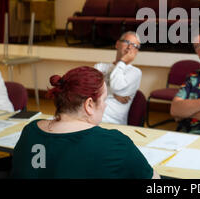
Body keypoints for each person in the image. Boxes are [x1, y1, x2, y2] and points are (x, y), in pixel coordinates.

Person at [11, 66, 159, 179]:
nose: (105, 106)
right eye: (104, 100)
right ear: (89, 105)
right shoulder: (114, 143)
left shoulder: (31, 130)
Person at [94, 31, 142, 125]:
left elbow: (116, 86)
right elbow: (89, 91)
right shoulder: (99, 67)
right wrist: (113, 94)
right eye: (127, 42)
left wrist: (122, 62)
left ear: (136, 52)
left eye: (134, 46)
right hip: (90, 115)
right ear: (117, 44)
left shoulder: (135, 73)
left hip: (111, 122)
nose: (129, 47)